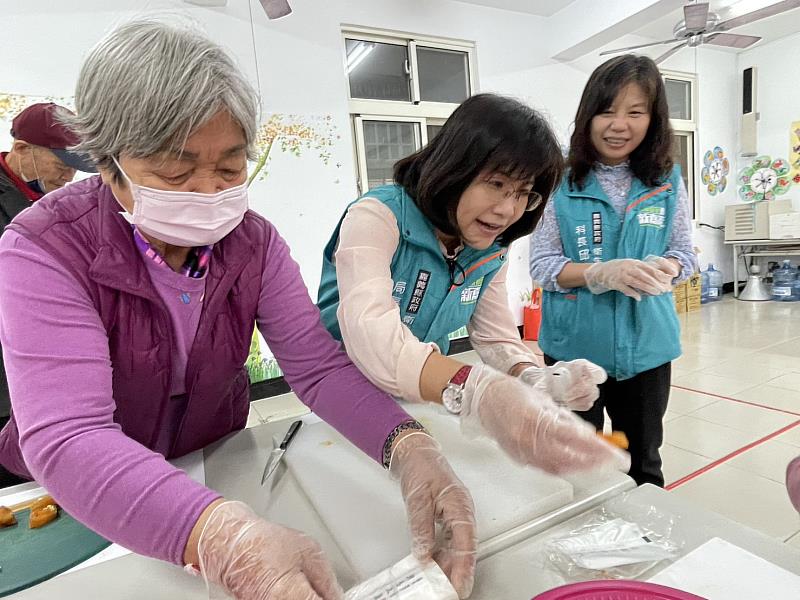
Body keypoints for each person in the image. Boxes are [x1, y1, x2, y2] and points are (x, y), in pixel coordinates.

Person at [0, 20, 478, 600]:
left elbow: (318, 370)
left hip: (213, 461)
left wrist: (408, 444)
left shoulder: (253, 244)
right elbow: (70, 435)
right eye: (176, 172)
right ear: (108, 166)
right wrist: (218, 536)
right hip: (81, 493)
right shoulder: (46, 247)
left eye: (230, 168)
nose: (208, 193)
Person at [317, 93, 629, 477]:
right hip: (340, 400)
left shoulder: (488, 247)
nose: (507, 209)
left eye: (521, 193)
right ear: (453, 167)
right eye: (496, 183)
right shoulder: (376, 217)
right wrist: (477, 390)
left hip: (418, 396)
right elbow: (373, 339)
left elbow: (496, 336)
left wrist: (533, 377)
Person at [530, 54, 697, 487]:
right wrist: (598, 273)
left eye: (635, 112)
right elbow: (542, 265)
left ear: (653, 119)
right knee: (573, 460)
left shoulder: (665, 180)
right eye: (607, 110)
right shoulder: (560, 180)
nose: (619, 124)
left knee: (640, 460)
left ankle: (639, 542)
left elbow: (686, 253)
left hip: (647, 350)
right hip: (574, 348)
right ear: (588, 115)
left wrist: (669, 267)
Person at [0, 102, 97, 464]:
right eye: (61, 166)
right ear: (22, 149)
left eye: (74, 169)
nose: (67, 178)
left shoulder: (63, 205)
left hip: (52, 378)